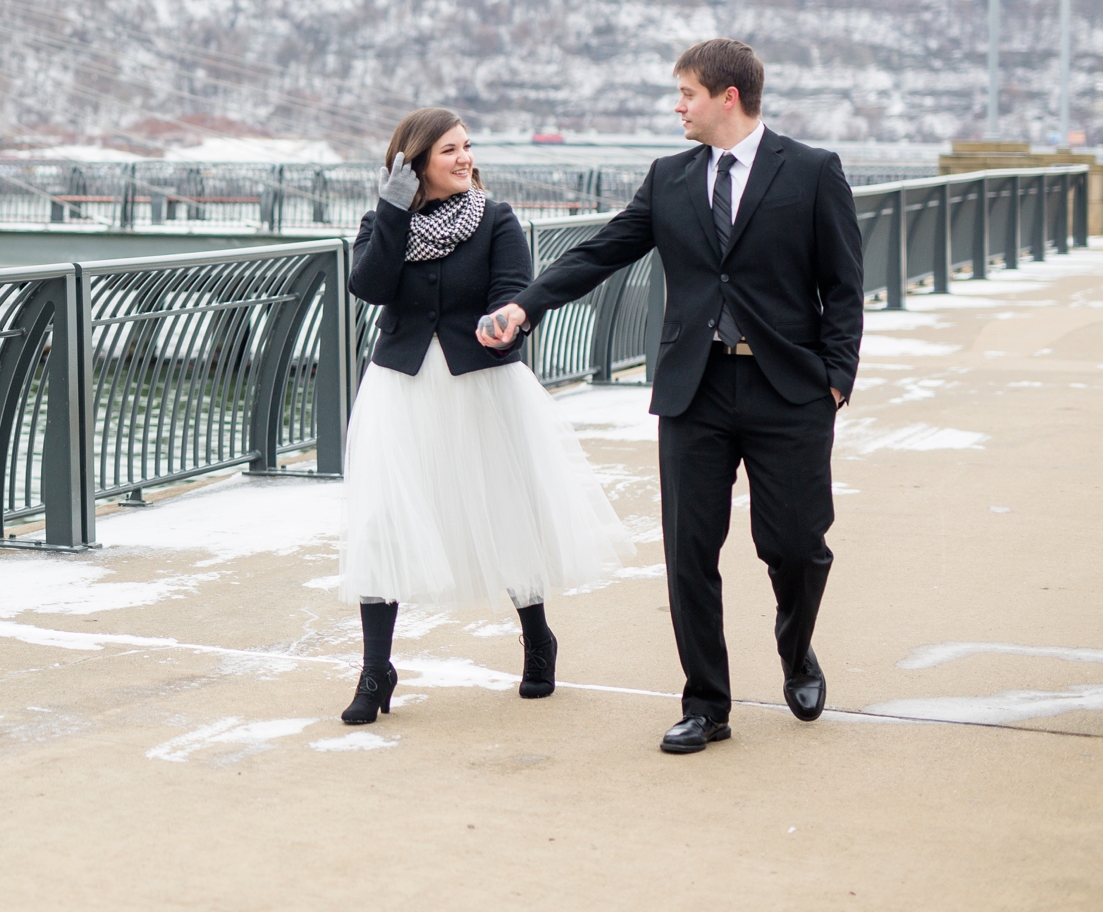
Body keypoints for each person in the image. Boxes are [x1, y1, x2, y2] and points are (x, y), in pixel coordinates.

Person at [481, 38, 863, 755]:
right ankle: (707, 703)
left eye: (685, 92)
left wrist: (835, 381)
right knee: (690, 551)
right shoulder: (669, 179)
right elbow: (602, 252)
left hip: (789, 391)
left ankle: (795, 646)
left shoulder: (812, 172)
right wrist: (526, 307)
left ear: (728, 96)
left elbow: (843, 288)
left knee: (796, 546)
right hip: (696, 388)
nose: (676, 106)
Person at [337, 107, 634, 726]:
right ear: (413, 162)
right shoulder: (380, 222)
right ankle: (375, 670)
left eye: (467, 146)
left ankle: (536, 638)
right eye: (449, 150)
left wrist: (502, 321)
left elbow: (514, 291)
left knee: (505, 508)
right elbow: (368, 286)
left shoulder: (496, 220)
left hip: (484, 386)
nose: (465, 158)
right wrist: (393, 212)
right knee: (384, 522)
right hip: (402, 389)